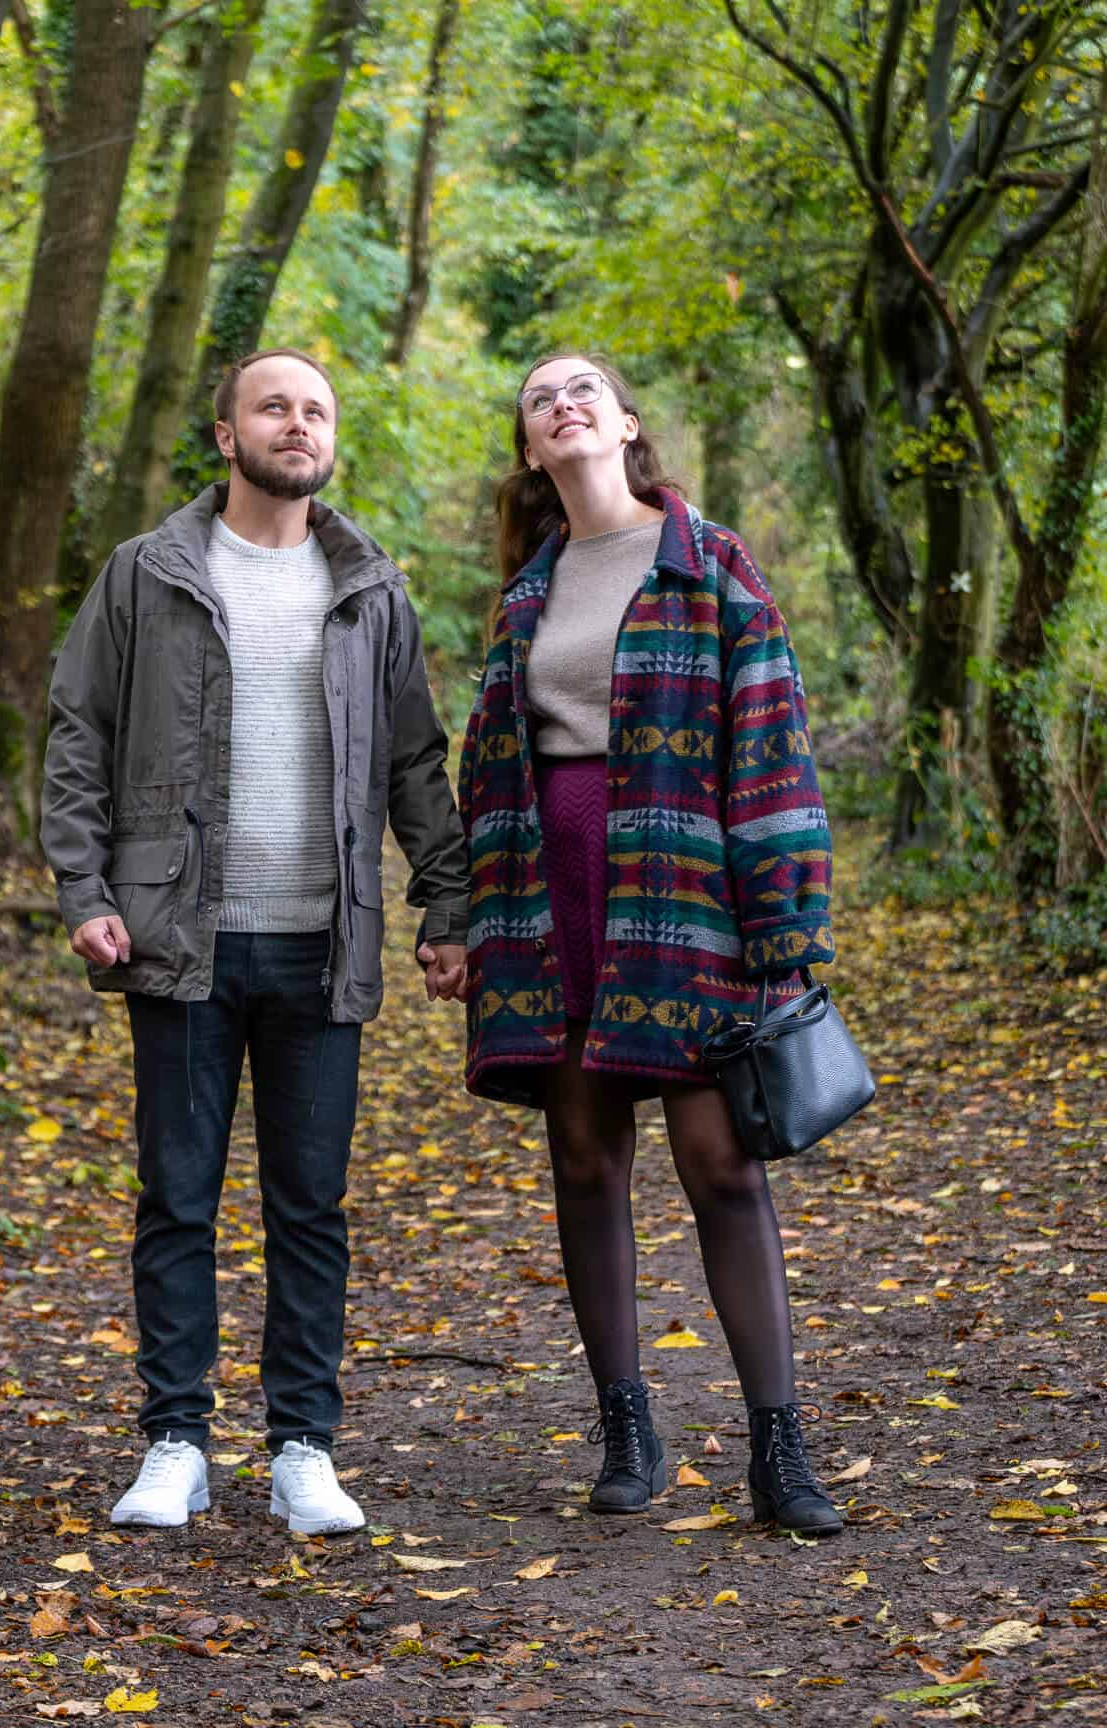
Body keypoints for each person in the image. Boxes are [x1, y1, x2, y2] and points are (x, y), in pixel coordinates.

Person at [42, 348, 468, 1536]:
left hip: (321, 942)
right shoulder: (146, 574)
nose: (297, 422)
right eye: (274, 405)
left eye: (316, 408)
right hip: (179, 933)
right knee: (176, 1195)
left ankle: (302, 1447)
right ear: (227, 433)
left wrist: (449, 907)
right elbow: (80, 729)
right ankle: (175, 1439)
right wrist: (83, 886)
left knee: (309, 1203)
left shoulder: (370, 587)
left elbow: (414, 763)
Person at [452, 351, 843, 1536]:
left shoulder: (709, 563)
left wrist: (786, 918)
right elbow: (487, 766)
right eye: (540, 398)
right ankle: (626, 1424)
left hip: (684, 894)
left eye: (584, 389)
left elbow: (769, 740)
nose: (563, 403)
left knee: (722, 1160)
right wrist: (468, 915)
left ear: (626, 424)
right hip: (551, 895)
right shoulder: (526, 594)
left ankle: (781, 1444)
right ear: (532, 448)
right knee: (584, 1158)